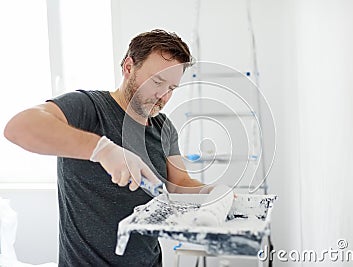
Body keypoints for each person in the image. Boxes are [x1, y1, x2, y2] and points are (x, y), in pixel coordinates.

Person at [4, 29, 206, 266]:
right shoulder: (89, 108)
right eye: (157, 82)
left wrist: (213, 194)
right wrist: (102, 150)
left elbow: (179, 183)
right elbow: (19, 128)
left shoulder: (164, 127)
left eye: (171, 88)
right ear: (128, 67)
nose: (162, 95)